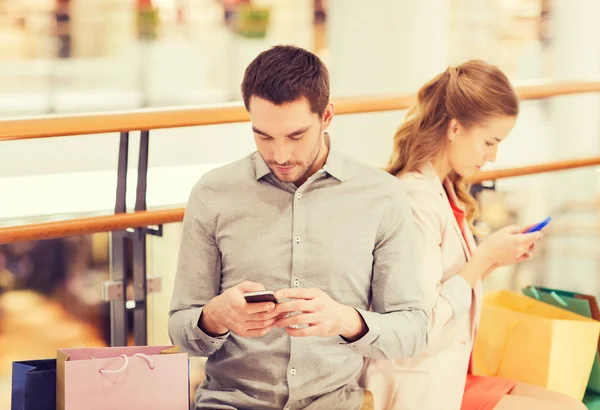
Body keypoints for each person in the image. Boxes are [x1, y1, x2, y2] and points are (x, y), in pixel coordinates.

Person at [168, 45, 429, 410]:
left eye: (295, 136)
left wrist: (345, 320)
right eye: (263, 136)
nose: (280, 155)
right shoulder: (213, 193)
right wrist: (214, 318)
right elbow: (180, 329)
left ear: (327, 117)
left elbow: (413, 331)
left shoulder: (382, 197)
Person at [359, 60, 586, 410]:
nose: (493, 157)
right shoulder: (415, 200)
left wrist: (494, 259)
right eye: (489, 142)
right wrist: (485, 257)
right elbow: (420, 323)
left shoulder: (445, 188)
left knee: (573, 403)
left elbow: (449, 281)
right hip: (421, 382)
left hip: (451, 372)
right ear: (454, 128)